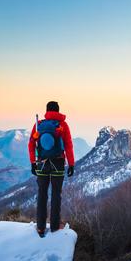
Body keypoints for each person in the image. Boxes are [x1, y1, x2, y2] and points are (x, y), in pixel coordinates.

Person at [28, 100, 75, 237]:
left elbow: (31, 144)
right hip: (58, 163)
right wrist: (71, 164)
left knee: (42, 195)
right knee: (56, 195)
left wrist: (33, 163)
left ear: (47, 111)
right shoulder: (63, 125)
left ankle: (41, 227)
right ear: (58, 110)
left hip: (42, 163)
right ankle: (54, 227)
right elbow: (68, 145)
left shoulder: (39, 125)